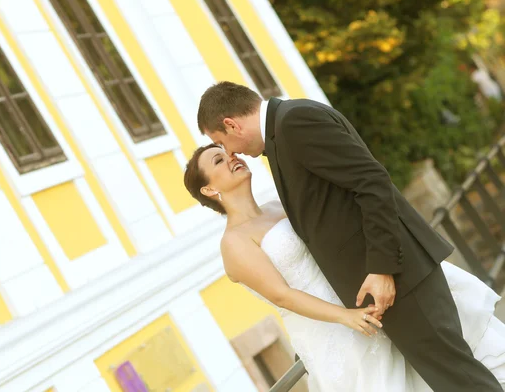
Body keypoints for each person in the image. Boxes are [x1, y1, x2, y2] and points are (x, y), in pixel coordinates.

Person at [195, 81, 504, 391]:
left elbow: (371, 181)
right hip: (386, 292)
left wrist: (383, 268)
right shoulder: (285, 127)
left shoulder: (294, 123)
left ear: (231, 124)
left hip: (399, 279)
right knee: (452, 377)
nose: (231, 152)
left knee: (458, 378)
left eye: (222, 143)